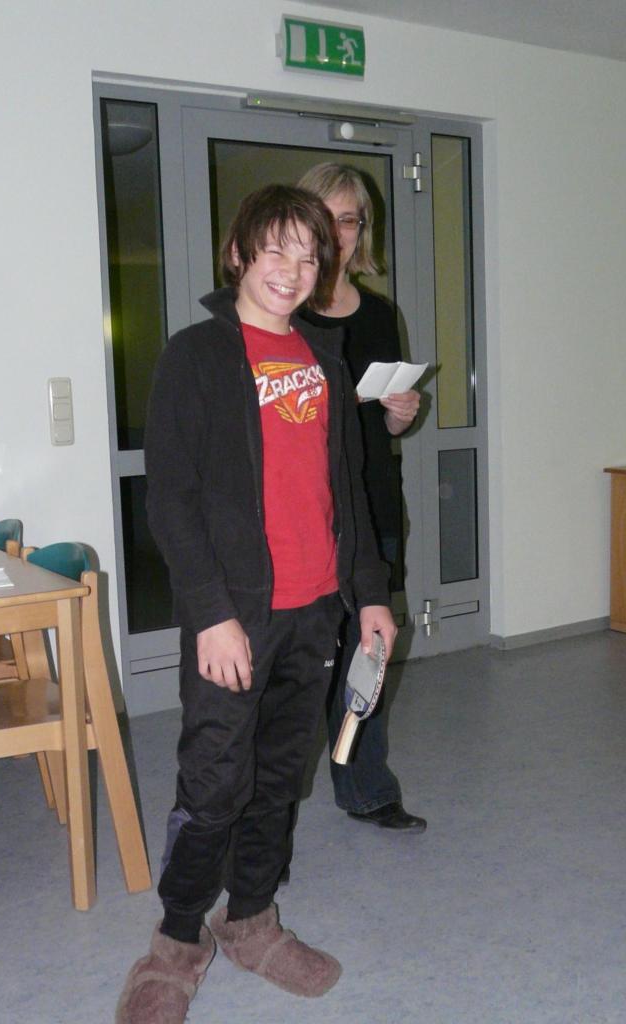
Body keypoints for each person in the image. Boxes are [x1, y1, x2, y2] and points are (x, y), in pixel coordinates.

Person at [117, 184, 397, 1024]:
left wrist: (370, 597)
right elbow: (172, 497)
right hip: (236, 612)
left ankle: (250, 922)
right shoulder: (198, 355)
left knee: (279, 777)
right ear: (238, 254)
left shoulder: (324, 358)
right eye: (275, 249)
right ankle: (175, 943)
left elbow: (347, 490)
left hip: (316, 611)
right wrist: (210, 612)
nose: (292, 269)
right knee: (214, 783)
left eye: (310, 256)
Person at [297, 162, 426, 834]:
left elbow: (388, 429)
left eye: (348, 219)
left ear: (360, 230)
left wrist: (401, 414)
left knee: (367, 653)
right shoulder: (280, 310)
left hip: (373, 501)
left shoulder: (379, 314)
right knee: (301, 655)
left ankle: (367, 788)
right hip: (303, 510)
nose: (336, 232)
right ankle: (265, 797)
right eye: (324, 216)